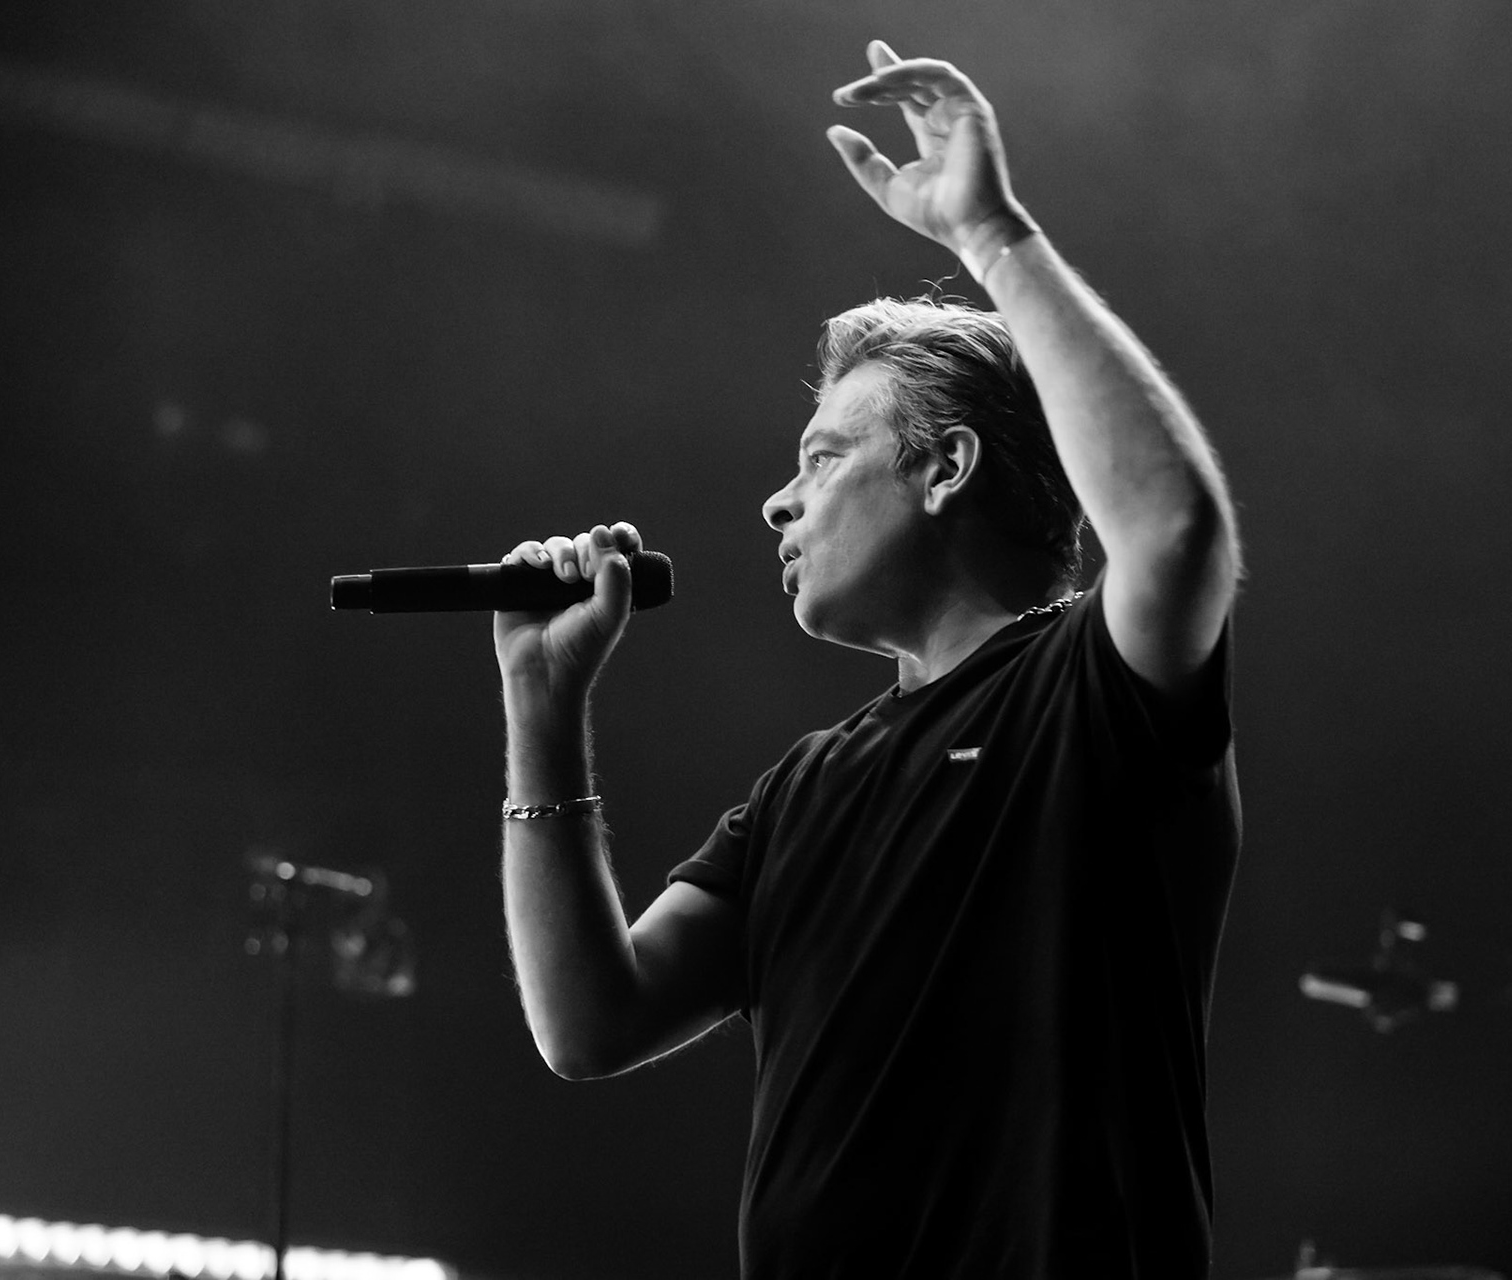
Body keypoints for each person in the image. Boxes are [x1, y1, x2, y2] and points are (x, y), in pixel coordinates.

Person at [490, 40, 1242, 1279]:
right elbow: (588, 1022)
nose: (777, 503)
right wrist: (540, 702)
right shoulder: (801, 789)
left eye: (824, 457)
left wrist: (990, 235)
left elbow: (1173, 529)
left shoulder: (1088, 691)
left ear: (946, 467)